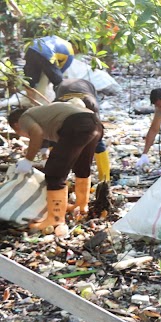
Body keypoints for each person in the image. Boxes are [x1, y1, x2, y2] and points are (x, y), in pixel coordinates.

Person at [7, 102, 103, 230]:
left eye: (18, 132)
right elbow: (45, 137)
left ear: (16, 125)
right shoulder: (42, 114)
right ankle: (81, 206)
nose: (21, 135)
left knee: (54, 174)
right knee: (82, 166)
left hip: (78, 125)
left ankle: (55, 219)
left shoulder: (24, 118)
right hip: (95, 124)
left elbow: (37, 133)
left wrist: (28, 160)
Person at [54, 78, 111, 184]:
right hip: (65, 92)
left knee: (97, 140)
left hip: (86, 91)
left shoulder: (91, 104)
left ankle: (105, 179)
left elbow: (97, 129)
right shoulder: (57, 106)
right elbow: (52, 131)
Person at [23, 35, 74, 103]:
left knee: (30, 81)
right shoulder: (70, 53)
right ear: (76, 48)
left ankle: (32, 103)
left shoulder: (59, 40)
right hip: (46, 53)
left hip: (31, 48)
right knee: (59, 82)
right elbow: (60, 72)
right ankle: (59, 103)